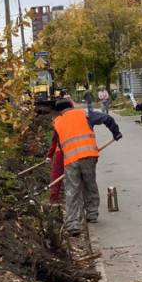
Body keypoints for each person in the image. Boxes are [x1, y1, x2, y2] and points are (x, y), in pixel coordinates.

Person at [50, 98, 122, 236]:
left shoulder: (58, 122)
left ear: (59, 111)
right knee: (90, 184)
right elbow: (107, 118)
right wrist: (116, 132)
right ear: (71, 106)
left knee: (72, 190)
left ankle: (73, 224)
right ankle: (92, 214)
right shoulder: (84, 114)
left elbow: (60, 145)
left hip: (70, 159)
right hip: (89, 156)